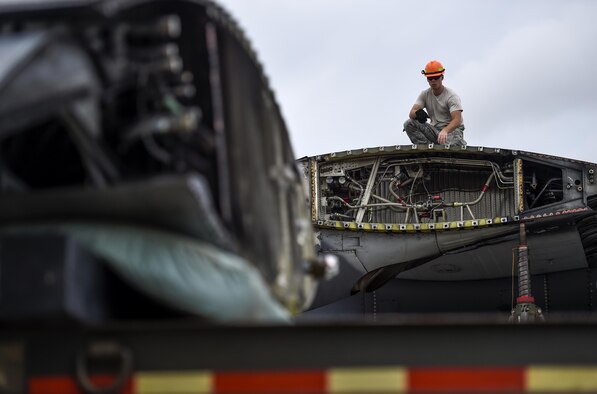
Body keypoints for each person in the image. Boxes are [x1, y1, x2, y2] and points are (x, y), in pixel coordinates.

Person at [403, 60, 467, 146]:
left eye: (436, 77)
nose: (433, 80)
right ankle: (427, 148)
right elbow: (411, 113)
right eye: (430, 78)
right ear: (427, 80)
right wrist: (418, 113)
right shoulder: (425, 94)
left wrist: (445, 130)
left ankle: (457, 143)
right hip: (434, 130)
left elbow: (457, 120)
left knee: (451, 145)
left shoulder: (451, 96)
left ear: (442, 77)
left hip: (451, 132)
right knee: (409, 124)